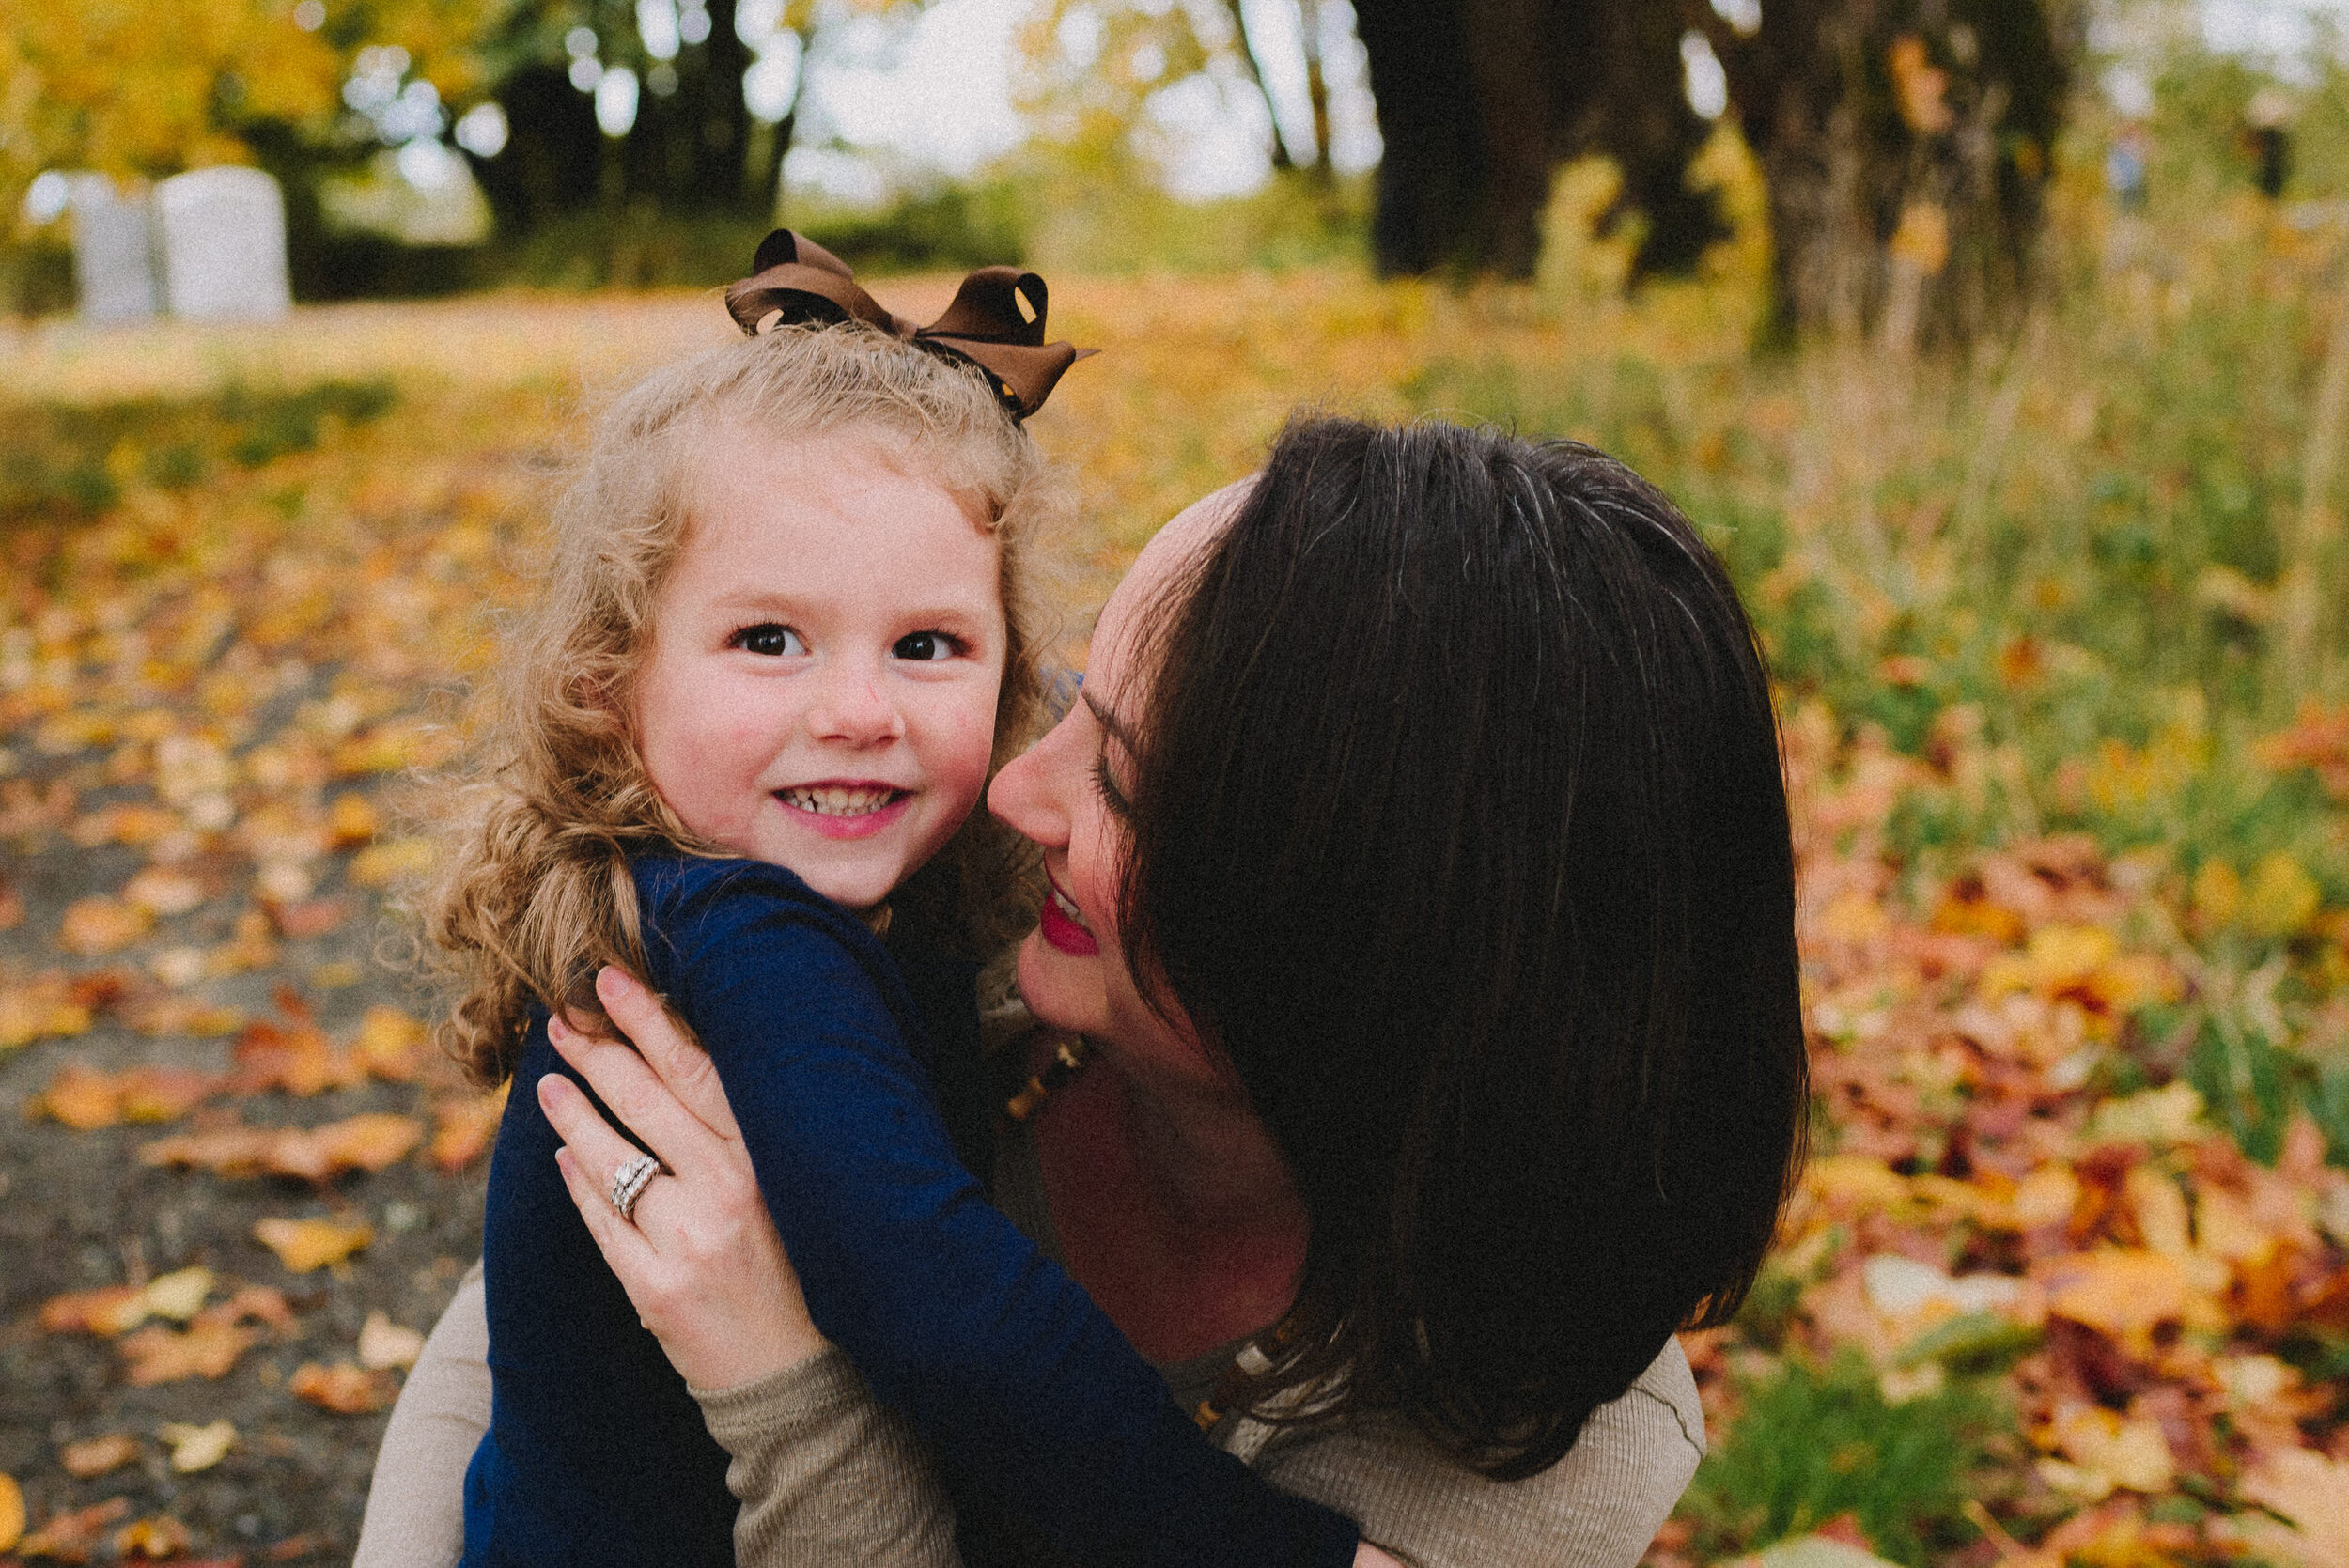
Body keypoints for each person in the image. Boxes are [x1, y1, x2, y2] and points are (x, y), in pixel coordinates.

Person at [364, 417, 1809, 1567]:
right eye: (1065, 699)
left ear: (1340, 942)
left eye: (1114, 773)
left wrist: (785, 1378)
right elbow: (507, 1338)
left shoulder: (1549, 1445)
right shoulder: (938, 932)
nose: (1009, 788)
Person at [416, 232, 1374, 1568]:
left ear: (1009, 673)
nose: (859, 713)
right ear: (607, 681)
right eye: (768, 640)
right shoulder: (747, 942)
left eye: (928, 645)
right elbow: (932, 1296)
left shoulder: (850, 914)